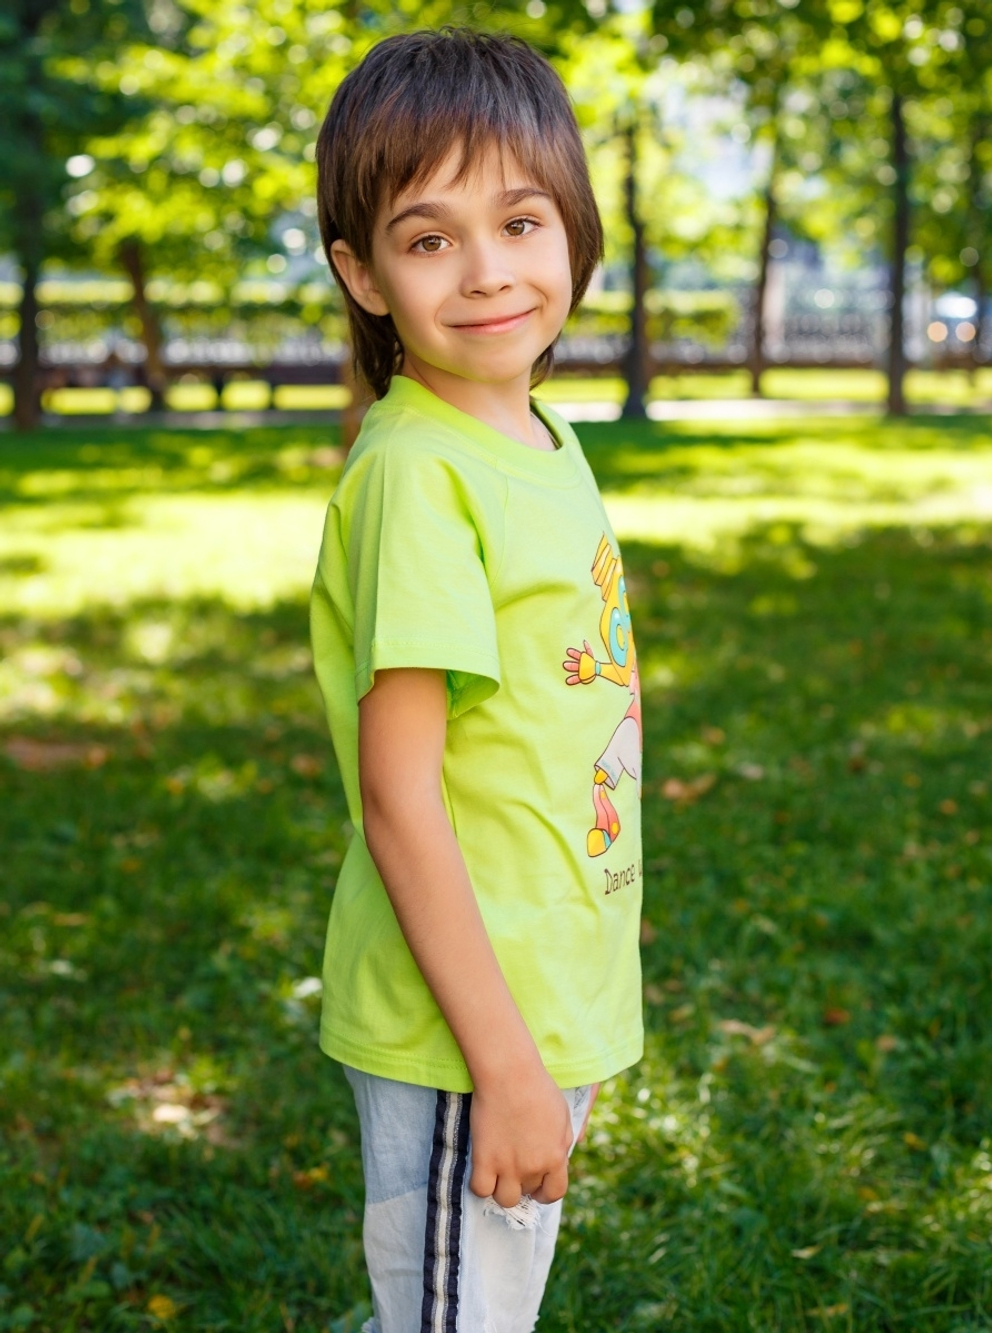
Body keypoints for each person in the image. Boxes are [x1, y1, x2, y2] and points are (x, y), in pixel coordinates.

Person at [310, 28, 643, 1333]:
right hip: (467, 1028)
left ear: (576, 231)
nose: (489, 270)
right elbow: (400, 795)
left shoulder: (539, 437)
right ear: (366, 274)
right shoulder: (418, 473)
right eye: (431, 237)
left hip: (543, 985)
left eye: (519, 219)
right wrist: (503, 1061)